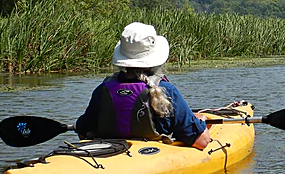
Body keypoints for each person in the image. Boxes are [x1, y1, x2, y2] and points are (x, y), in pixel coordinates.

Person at [75, 22, 211, 149]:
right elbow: (201, 142)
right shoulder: (166, 90)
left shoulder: (103, 89)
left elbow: (83, 132)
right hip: (151, 155)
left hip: (110, 154)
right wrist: (200, 122)